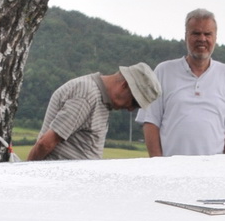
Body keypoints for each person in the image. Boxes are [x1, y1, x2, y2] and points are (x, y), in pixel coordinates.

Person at [138, 8, 225, 156]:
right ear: (186, 36)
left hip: (213, 168)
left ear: (215, 38)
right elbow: (150, 122)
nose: (202, 39)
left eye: (207, 34)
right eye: (196, 33)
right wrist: (158, 163)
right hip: (171, 167)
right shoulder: (162, 71)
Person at [27, 63, 160, 161]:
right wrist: (27, 173)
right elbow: (45, 143)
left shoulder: (101, 99)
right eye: (135, 103)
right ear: (125, 85)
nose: (130, 109)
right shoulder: (86, 95)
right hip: (59, 182)